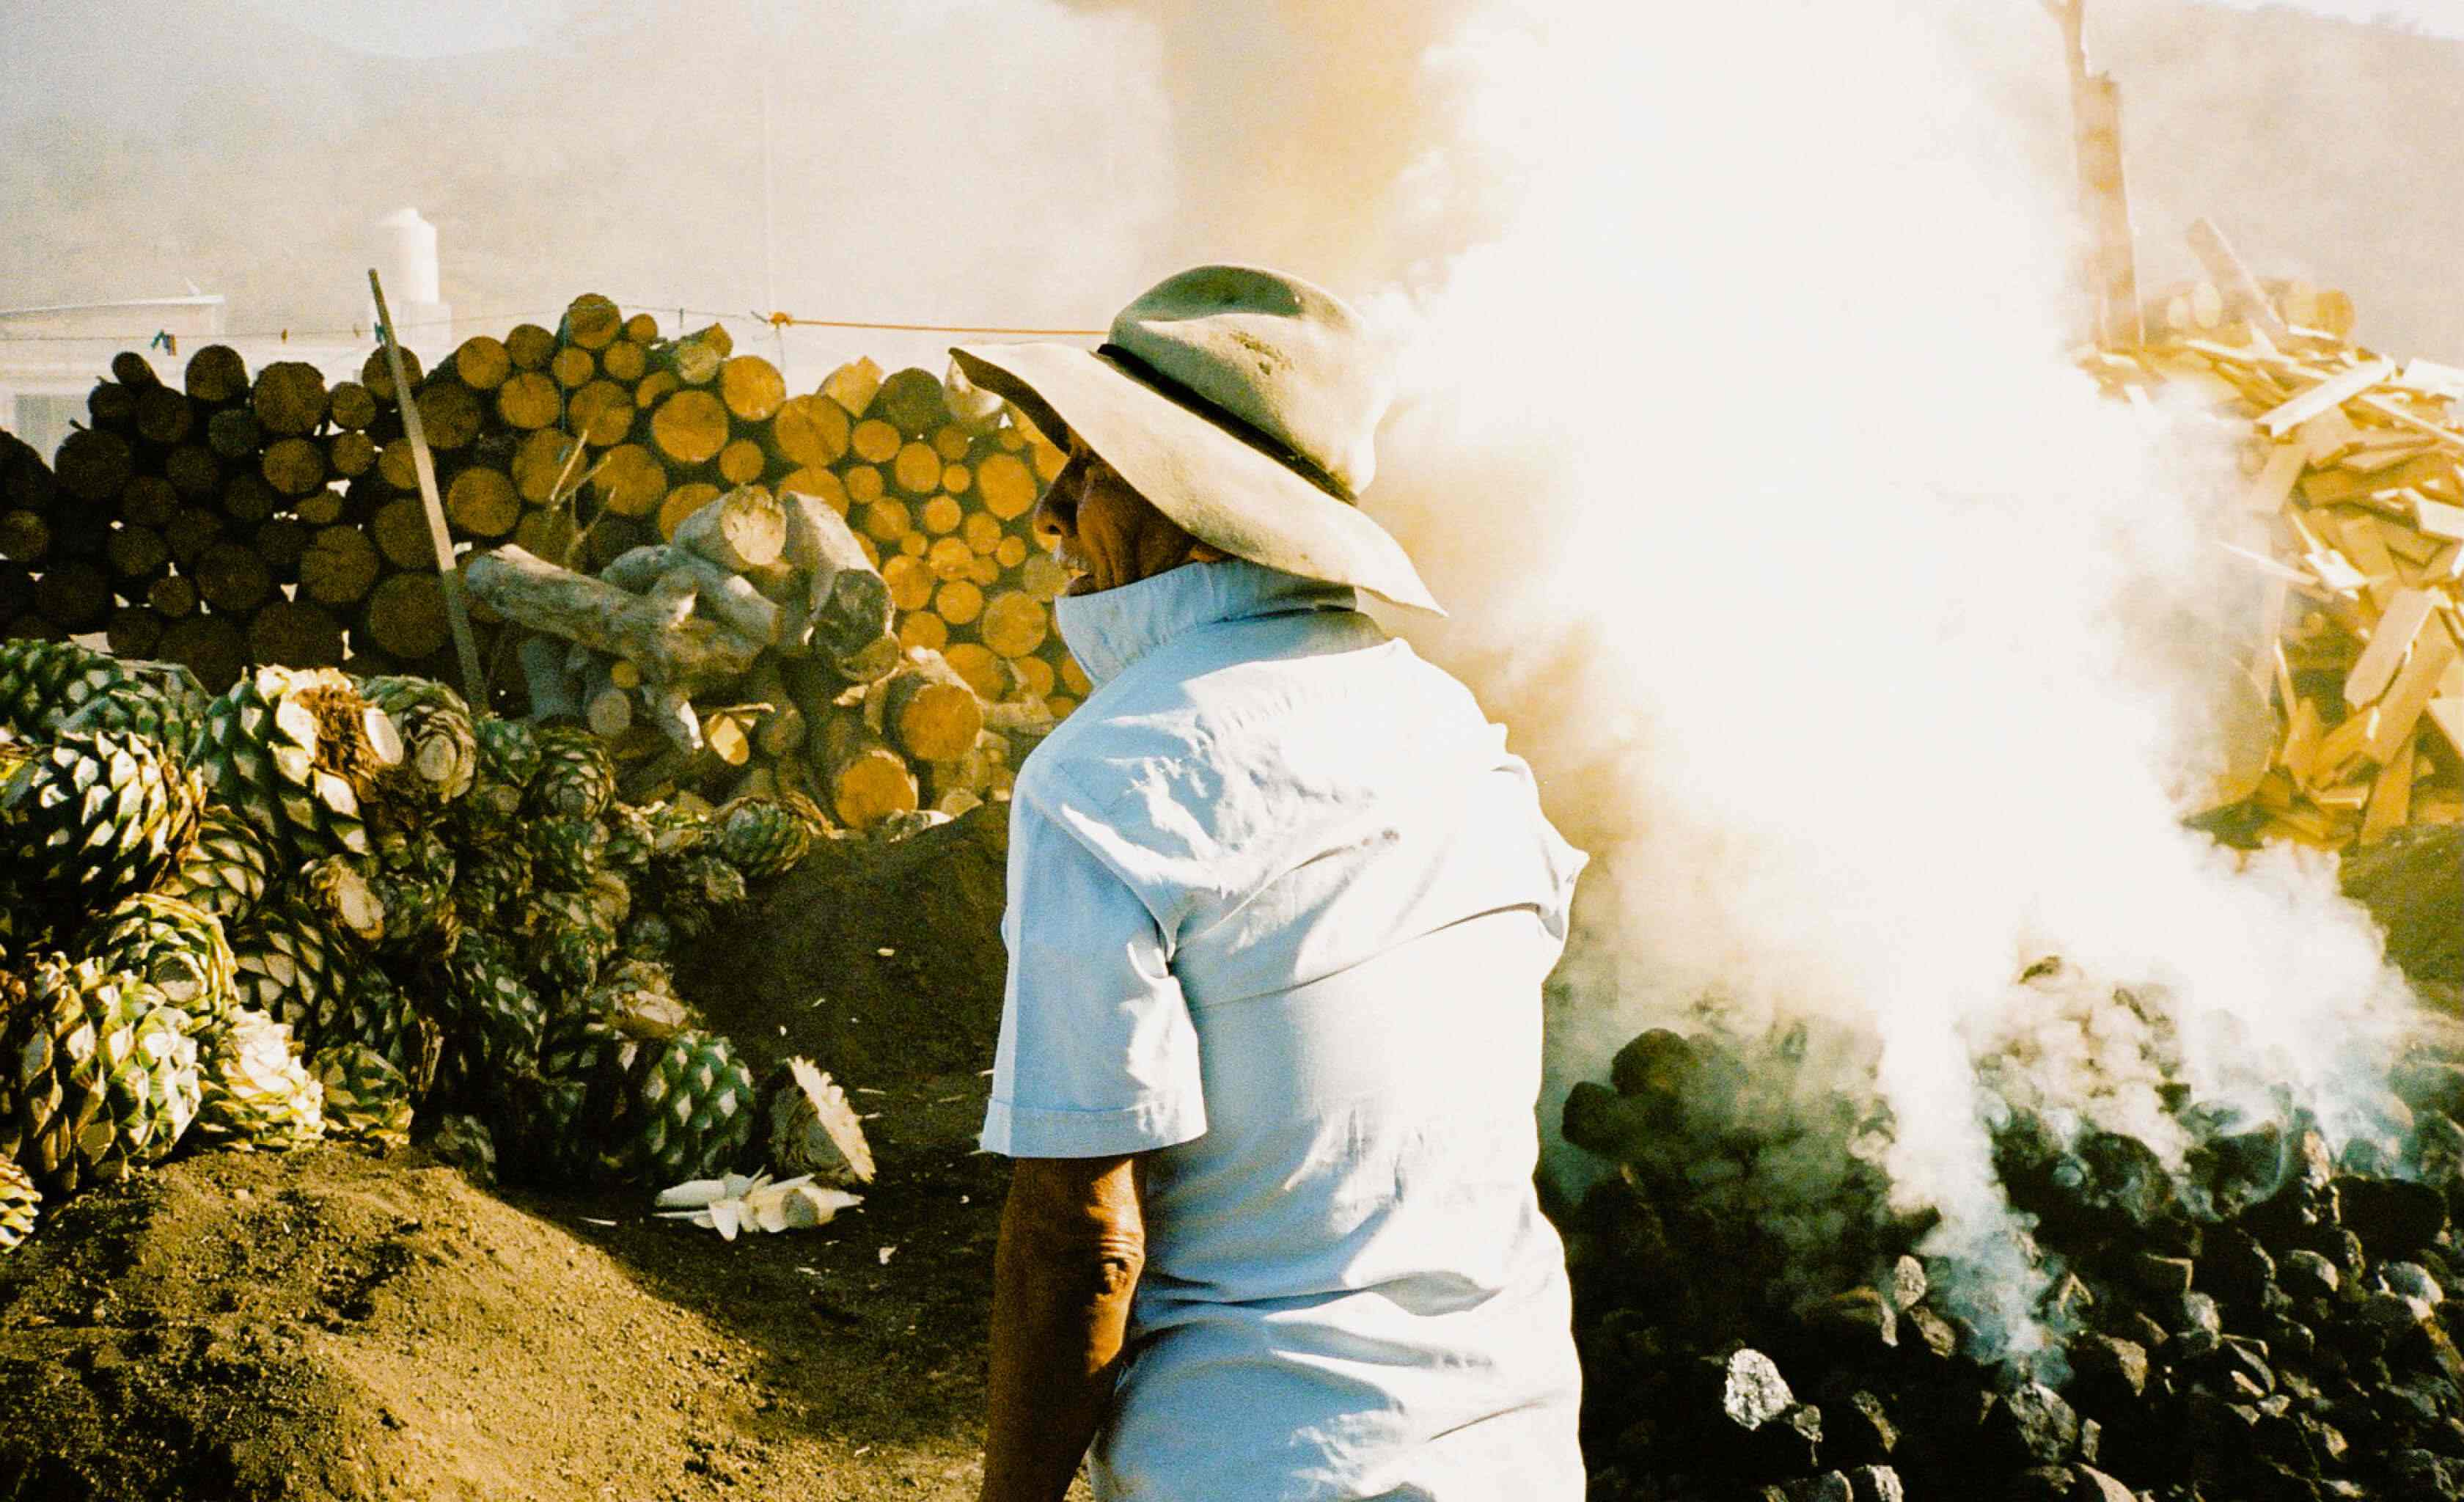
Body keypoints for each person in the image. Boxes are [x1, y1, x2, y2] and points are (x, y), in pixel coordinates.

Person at [953, 265, 1588, 1502]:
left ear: (1194, 510)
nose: (1050, 506)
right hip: (1510, 1453)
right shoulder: (1463, 741)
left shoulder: (1104, 783)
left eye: (1090, 466)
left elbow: (1083, 1245)